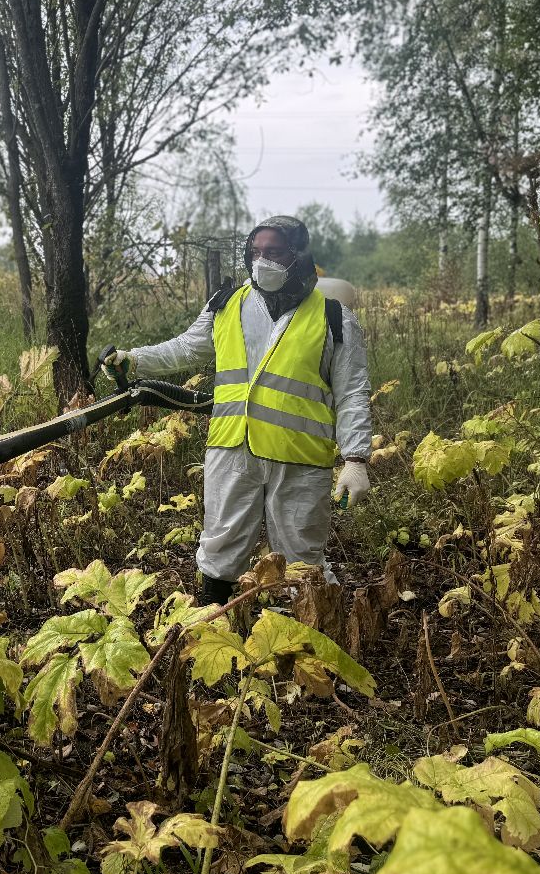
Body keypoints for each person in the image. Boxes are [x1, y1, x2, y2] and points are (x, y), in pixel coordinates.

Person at [103, 216, 373, 604]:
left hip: (299, 459)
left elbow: (351, 392)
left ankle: (303, 642)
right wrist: (134, 360)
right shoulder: (227, 304)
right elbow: (184, 348)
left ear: (298, 255)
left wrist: (356, 459)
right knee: (220, 547)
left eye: (275, 252)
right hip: (232, 451)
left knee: (302, 558)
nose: (263, 260)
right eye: (256, 251)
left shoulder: (333, 316)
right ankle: (217, 631)